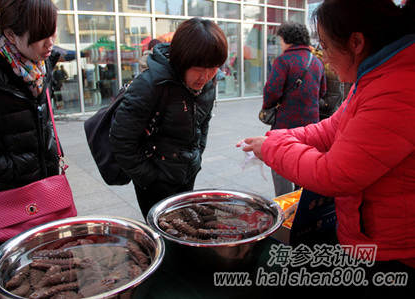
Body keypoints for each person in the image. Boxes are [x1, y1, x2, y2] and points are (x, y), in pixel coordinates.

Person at [239, 0, 415, 288]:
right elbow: (330, 129)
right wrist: (276, 138)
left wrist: (272, 149)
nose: (323, 55)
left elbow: (334, 174)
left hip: (394, 253)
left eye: (326, 45)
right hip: (367, 238)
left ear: (356, 41)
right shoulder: (374, 78)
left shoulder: (399, 87)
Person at [110, 18, 228, 219]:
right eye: (198, 69)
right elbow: (121, 139)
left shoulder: (207, 84)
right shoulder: (150, 85)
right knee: (164, 235)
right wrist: (149, 179)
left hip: (186, 172)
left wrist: (197, 154)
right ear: (182, 60)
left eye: (213, 67)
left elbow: (204, 121)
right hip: (154, 180)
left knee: (186, 230)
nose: (205, 76)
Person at [0, 0, 61, 250]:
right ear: (10, 34)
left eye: (52, 32)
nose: (50, 42)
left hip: (45, 188)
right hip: (8, 197)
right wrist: (10, 167)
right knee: (21, 273)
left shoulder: (40, 66)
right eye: (41, 36)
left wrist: (51, 151)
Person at [262, 21, 326, 196]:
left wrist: (268, 106)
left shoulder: (283, 60)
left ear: (287, 39)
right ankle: (299, 204)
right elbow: (323, 91)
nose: (280, 43)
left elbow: (272, 91)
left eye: (281, 39)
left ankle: (283, 205)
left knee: (281, 162)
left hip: (286, 123)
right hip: (311, 125)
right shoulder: (316, 61)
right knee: (304, 163)